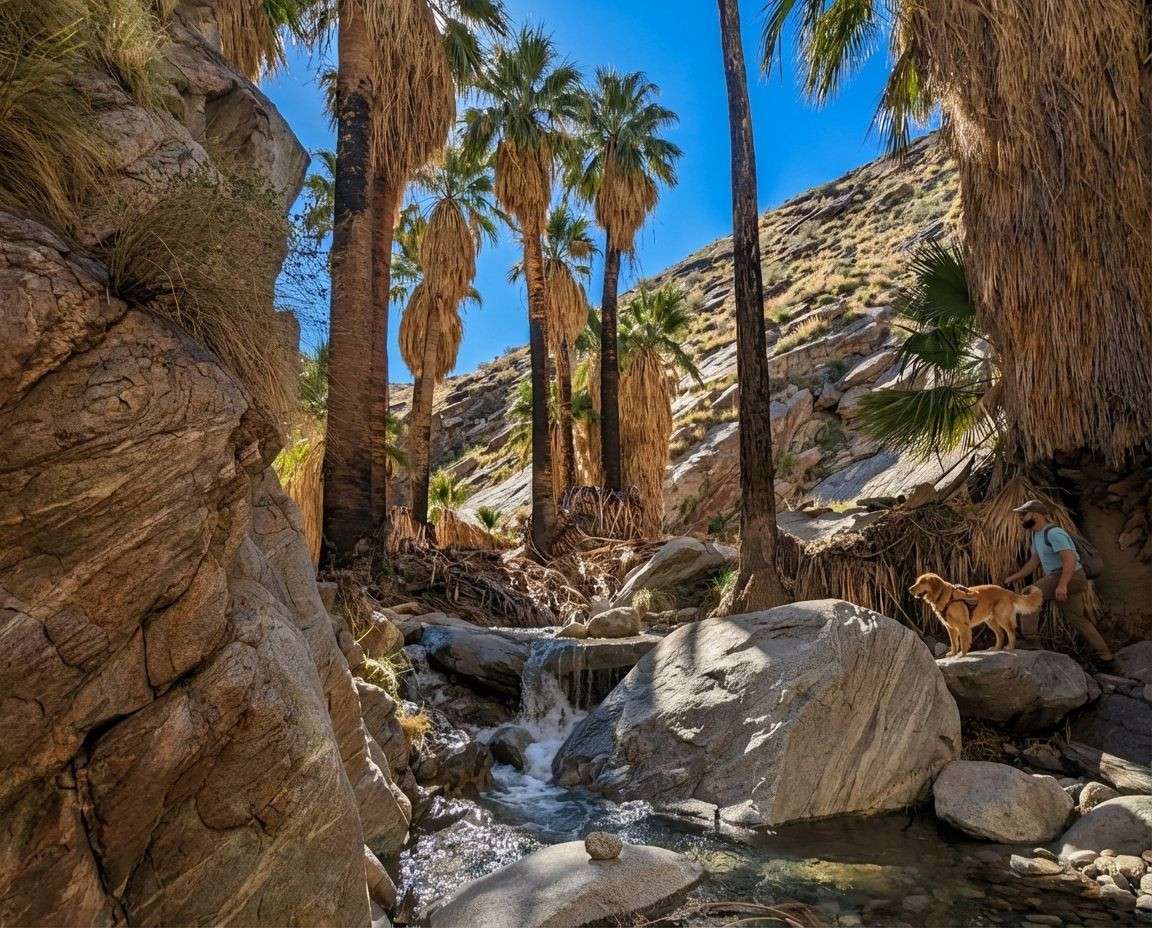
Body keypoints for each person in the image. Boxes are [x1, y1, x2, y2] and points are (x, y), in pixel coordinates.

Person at [1004, 500, 1112, 665]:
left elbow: (1070, 560)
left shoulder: (1054, 533)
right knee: (1077, 618)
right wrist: (1013, 578)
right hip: (1063, 577)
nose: (1020, 518)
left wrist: (1062, 585)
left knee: (1029, 594)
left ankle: (1031, 641)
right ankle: (1106, 656)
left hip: (1071, 576)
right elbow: (1034, 562)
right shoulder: (1036, 534)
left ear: (1036, 515)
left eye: (1023, 514)